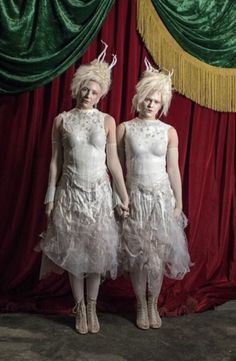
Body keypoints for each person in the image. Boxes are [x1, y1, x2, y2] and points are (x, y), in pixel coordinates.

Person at [38, 42, 129, 335]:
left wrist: (123, 195)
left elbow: (113, 162)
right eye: (85, 90)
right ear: (77, 88)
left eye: (95, 92)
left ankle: (92, 305)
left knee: (97, 254)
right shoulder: (61, 120)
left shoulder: (107, 121)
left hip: (100, 194)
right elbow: (55, 161)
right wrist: (50, 197)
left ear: (101, 94)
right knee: (75, 254)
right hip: (70, 193)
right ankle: (79, 308)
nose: (89, 95)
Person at [116, 58, 192, 330]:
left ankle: (152, 302)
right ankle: (139, 303)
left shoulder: (169, 132)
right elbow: (119, 169)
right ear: (140, 99)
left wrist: (179, 202)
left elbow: (173, 169)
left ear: (163, 105)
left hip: (161, 199)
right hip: (135, 198)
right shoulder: (124, 128)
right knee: (137, 255)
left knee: (156, 256)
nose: (151, 104)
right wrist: (121, 198)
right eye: (148, 98)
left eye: (156, 101)